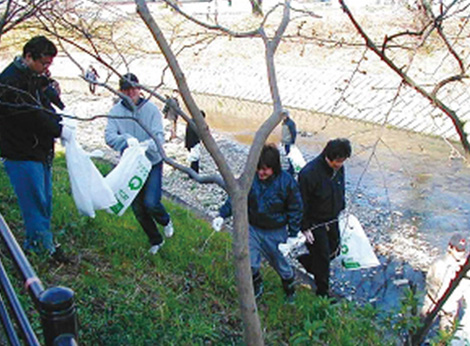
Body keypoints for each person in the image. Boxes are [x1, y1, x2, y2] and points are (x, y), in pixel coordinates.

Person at [0, 36, 72, 259]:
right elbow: (31, 115)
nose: (45, 68)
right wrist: (58, 130)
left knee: (45, 201)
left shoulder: (33, 77)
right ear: (28, 57)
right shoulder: (10, 82)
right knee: (34, 202)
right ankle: (40, 250)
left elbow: (45, 104)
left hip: (39, 150)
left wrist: (52, 92)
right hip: (21, 152)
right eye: (43, 63)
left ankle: (43, 241)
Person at [212, 144, 303, 302]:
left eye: (265, 169)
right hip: (253, 228)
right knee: (250, 263)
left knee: (282, 265)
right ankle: (257, 284)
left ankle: (289, 289)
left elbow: (295, 208)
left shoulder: (286, 182)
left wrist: (293, 235)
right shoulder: (249, 178)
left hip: (275, 231)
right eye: (259, 168)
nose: (261, 172)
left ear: (274, 167)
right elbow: (236, 197)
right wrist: (222, 214)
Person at [105, 73, 174, 255]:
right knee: (137, 206)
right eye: (126, 90)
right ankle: (155, 240)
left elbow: (159, 136)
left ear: (140, 89)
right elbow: (109, 137)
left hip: (152, 161)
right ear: (121, 92)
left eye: (134, 88)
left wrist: (146, 145)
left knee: (151, 202)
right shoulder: (115, 112)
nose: (131, 93)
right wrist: (127, 141)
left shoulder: (151, 110)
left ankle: (166, 220)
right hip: (130, 165)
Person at [297, 138, 352, 298]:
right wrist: (305, 226)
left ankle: (306, 261)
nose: (340, 164)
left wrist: (342, 206)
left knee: (335, 250)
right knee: (322, 259)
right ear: (328, 156)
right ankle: (323, 293)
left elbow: (340, 188)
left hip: (332, 218)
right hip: (315, 222)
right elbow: (301, 202)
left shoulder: (339, 168)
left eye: (343, 160)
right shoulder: (309, 174)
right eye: (338, 161)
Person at [421, 233, 469, 332]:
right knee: (419, 330)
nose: (461, 253)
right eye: (458, 250)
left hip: (450, 309)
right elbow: (431, 286)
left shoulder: (466, 267)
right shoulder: (439, 264)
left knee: (445, 338)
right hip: (432, 304)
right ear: (450, 248)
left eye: (463, 250)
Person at [184, 110, 205, 174]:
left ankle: (193, 172)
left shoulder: (191, 121)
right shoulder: (195, 123)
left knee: (194, 158)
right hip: (194, 143)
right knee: (195, 158)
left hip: (189, 143)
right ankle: (194, 173)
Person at [281, 111, 297, 175]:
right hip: (285, 142)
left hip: (289, 142)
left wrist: (292, 142)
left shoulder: (290, 123)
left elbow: (293, 133)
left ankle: (292, 169)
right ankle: (291, 168)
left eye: (283, 116)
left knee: (290, 156)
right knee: (288, 155)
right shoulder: (285, 123)